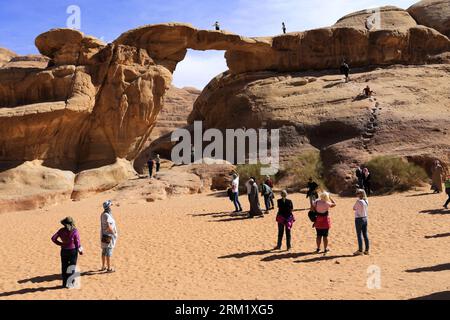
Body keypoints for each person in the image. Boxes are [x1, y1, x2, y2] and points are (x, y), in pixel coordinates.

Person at [51, 217, 83, 288]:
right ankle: (70, 283)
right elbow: (77, 242)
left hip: (64, 251)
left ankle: (64, 283)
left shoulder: (61, 230)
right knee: (71, 267)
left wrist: (61, 244)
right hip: (73, 251)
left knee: (64, 267)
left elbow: (53, 238)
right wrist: (80, 250)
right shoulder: (74, 231)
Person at [101, 200, 118, 273]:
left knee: (104, 252)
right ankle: (109, 268)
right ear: (108, 207)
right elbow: (109, 226)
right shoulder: (106, 215)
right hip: (108, 236)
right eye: (110, 205)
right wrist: (114, 233)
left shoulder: (103, 214)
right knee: (108, 252)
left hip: (105, 235)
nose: (111, 207)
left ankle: (103, 266)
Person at [353, 189, 370, 255]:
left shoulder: (358, 201)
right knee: (365, 234)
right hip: (365, 218)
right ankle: (367, 250)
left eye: (358, 193)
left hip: (359, 219)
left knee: (359, 234)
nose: (356, 194)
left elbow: (354, 208)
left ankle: (360, 250)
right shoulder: (366, 201)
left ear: (360, 194)